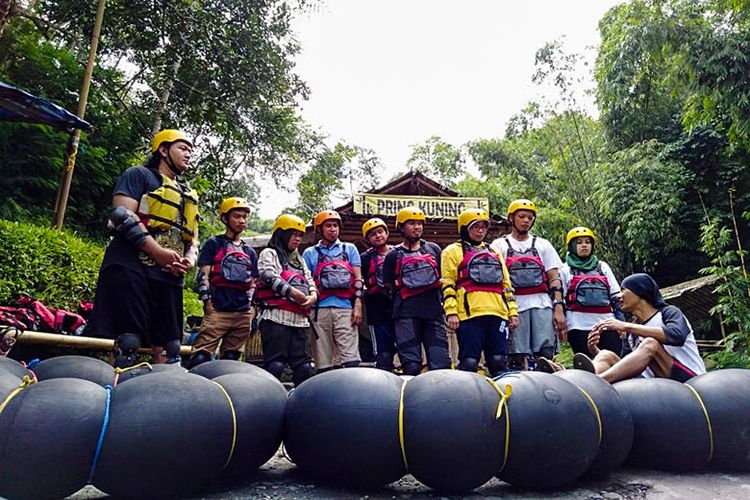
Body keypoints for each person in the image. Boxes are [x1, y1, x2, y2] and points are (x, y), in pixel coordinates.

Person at [88, 129, 198, 367]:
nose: (188, 154)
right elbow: (121, 215)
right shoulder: (138, 175)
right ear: (163, 150)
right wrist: (157, 252)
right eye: (183, 148)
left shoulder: (187, 193)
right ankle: (119, 393)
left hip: (169, 275)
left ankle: (164, 397)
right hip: (133, 267)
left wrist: (189, 258)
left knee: (171, 347)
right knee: (128, 342)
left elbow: (193, 238)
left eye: (191, 150)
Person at [573, 273, 706, 383]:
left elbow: (677, 336)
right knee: (606, 355)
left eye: (623, 290)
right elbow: (627, 362)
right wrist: (595, 350)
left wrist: (627, 326)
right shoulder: (632, 333)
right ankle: (587, 382)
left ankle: (599, 381)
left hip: (688, 378)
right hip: (657, 383)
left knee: (650, 343)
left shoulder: (668, 312)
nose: (618, 296)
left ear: (640, 291)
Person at [490, 199, 567, 371]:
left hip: (541, 304)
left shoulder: (542, 244)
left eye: (530, 218)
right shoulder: (499, 245)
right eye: (522, 216)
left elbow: (554, 278)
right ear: (512, 218)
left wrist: (559, 308)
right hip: (515, 306)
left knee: (546, 353)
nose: (526, 221)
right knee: (515, 355)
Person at [441, 209, 519, 377]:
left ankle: (503, 398)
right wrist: (451, 312)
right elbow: (448, 284)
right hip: (469, 315)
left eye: (483, 227)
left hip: (498, 313)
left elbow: (506, 284)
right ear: (464, 228)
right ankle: (467, 399)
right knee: (470, 362)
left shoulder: (493, 251)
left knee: (498, 360)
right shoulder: (452, 251)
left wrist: (512, 312)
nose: (480, 231)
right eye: (475, 227)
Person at [189, 197, 258, 367]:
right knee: (201, 357)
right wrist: (207, 301)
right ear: (225, 218)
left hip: (242, 312)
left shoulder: (249, 251)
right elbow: (202, 275)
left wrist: (250, 308)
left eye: (244, 217)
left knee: (231, 359)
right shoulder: (214, 244)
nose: (242, 221)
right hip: (218, 309)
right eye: (236, 216)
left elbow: (253, 283)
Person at [382, 206, 451, 376]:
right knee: (411, 366)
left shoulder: (433, 249)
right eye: (411, 223)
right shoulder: (393, 256)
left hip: (433, 313)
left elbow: (443, 278)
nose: (417, 227)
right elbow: (389, 287)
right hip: (405, 314)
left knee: (440, 364)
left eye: (420, 223)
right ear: (401, 227)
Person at [255, 214, 318, 386]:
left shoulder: (300, 259)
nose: (298, 239)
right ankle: (270, 400)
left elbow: (310, 281)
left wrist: (313, 297)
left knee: (305, 366)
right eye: (294, 234)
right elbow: (267, 275)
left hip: (300, 320)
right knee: (276, 365)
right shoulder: (270, 253)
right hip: (276, 317)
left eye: (300, 235)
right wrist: (293, 293)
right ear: (282, 234)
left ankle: (300, 403)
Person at [302, 210, 363, 371]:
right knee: (323, 361)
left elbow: (358, 279)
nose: (332, 229)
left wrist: (357, 305)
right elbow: (307, 282)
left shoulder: (349, 249)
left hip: (345, 309)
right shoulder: (310, 253)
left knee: (350, 358)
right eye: (328, 226)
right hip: (319, 310)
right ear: (320, 230)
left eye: (335, 225)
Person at [559, 227, 622, 355]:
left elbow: (616, 296)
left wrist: (621, 322)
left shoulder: (602, 267)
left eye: (588, 242)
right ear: (571, 245)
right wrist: (562, 327)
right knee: (588, 365)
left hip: (607, 323)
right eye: (579, 242)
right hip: (578, 326)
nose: (584, 245)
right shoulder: (565, 270)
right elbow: (561, 300)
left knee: (614, 360)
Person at [360, 217, 397, 371]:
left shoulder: (398, 253)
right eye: (373, 234)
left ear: (387, 233)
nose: (378, 236)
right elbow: (358, 281)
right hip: (377, 309)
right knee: (383, 353)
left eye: (380, 232)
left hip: (399, 306)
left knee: (405, 348)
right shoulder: (365, 258)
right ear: (368, 239)